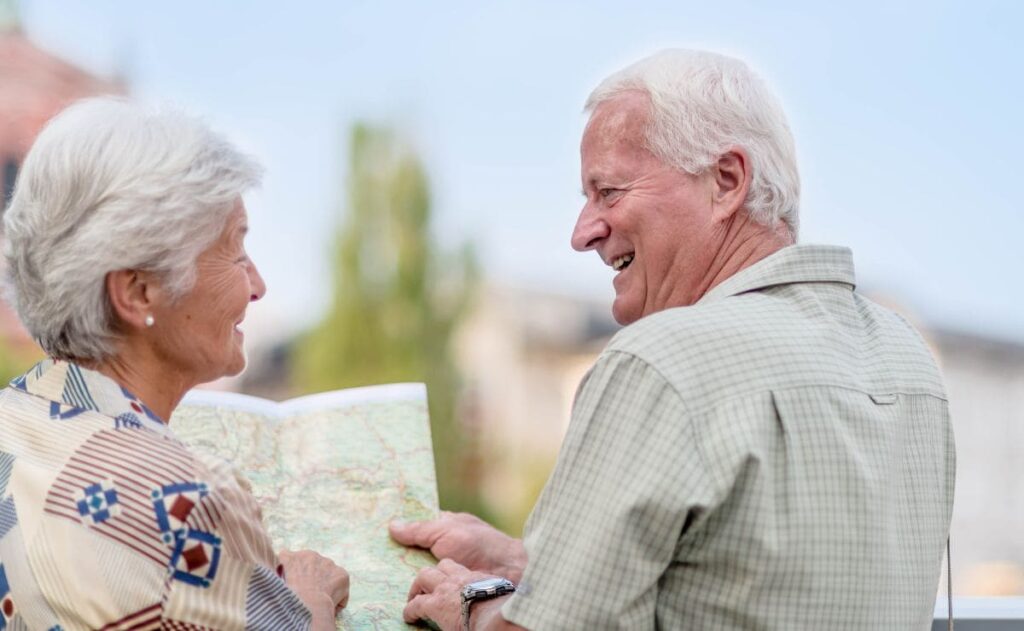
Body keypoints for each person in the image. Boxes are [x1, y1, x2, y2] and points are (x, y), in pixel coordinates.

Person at [391, 49, 955, 629]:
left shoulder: (660, 360)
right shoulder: (908, 361)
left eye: (607, 191)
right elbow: (758, 583)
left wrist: (472, 607)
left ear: (727, 181)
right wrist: (525, 562)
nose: (582, 232)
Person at [0, 98, 348, 630]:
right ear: (138, 292)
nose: (257, 286)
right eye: (235, 250)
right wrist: (308, 599)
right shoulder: (187, 502)